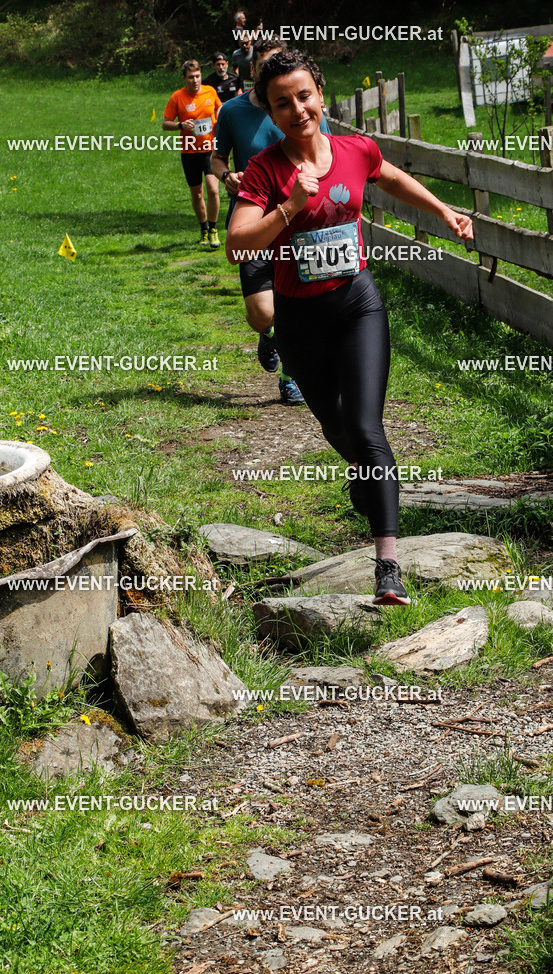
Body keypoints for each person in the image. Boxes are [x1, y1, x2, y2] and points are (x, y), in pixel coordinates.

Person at [226, 50, 474, 605]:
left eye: (304, 96)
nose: (297, 109)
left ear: (321, 93)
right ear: (269, 110)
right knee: (337, 429)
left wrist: (443, 212)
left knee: (366, 429)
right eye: (281, 103)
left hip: (357, 305)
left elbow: (389, 177)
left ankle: (388, 567)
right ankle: (368, 482)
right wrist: (289, 205)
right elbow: (237, 243)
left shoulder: (355, 149)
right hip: (299, 322)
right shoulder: (266, 170)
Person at [213, 37, 329, 405]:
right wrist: (226, 175)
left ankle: (291, 376)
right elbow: (215, 158)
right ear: (253, 71)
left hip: (303, 225)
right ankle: (269, 334)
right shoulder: (231, 111)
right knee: (263, 312)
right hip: (256, 225)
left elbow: (327, 157)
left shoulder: (305, 112)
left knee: (302, 306)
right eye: (265, 66)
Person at [162, 60, 222, 248]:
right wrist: (181, 125)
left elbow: (218, 106)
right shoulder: (177, 97)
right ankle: (203, 229)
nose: (195, 80)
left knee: (213, 189)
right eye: (191, 77)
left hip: (209, 149)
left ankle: (213, 229)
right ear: (184, 79)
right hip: (189, 151)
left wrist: (219, 117)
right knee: (197, 195)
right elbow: (165, 123)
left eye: (197, 76)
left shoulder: (210, 91)